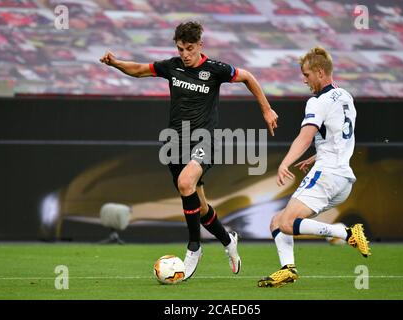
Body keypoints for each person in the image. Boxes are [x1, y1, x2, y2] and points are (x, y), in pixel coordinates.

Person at [100, 21, 278, 280]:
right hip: (175, 143)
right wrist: (115, 63)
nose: (184, 53)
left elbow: (248, 77)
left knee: (186, 183)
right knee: (201, 206)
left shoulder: (215, 70)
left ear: (200, 46)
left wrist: (266, 109)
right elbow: (139, 70)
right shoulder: (171, 67)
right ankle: (228, 240)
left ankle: (194, 247)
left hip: (205, 140)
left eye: (189, 48)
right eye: (180, 48)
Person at [258, 46, 370, 288]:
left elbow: (305, 136)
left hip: (327, 174)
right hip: (342, 179)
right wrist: (317, 155)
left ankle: (346, 233)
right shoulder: (346, 97)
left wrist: (285, 163)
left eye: (306, 74)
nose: (304, 80)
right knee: (277, 222)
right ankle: (288, 269)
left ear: (320, 72)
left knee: (287, 223)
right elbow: (340, 136)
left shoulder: (317, 102)